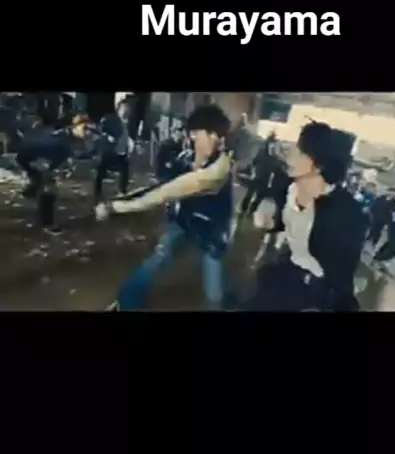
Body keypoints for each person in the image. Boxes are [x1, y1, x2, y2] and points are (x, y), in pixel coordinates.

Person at [96, 104, 234, 311]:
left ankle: (223, 300)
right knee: (156, 261)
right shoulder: (183, 159)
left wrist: (113, 207)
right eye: (212, 133)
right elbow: (159, 187)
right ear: (193, 134)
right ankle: (126, 302)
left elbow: (163, 193)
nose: (218, 140)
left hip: (211, 234)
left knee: (214, 294)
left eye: (220, 135)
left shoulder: (218, 170)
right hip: (183, 222)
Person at [243, 122, 367, 311]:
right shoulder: (289, 188)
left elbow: (343, 274)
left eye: (300, 152)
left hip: (317, 290)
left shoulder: (347, 214)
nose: (291, 154)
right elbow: (288, 221)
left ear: (319, 165)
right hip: (289, 273)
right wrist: (272, 220)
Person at [16, 114, 90, 233]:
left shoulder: (68, 137)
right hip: (33, 156)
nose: (88, 132)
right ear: (74, 127)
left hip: (35, 156)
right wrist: (38, 163)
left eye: (90, 129)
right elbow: (38, 150)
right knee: (49, 189)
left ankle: (32, 189)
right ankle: (48, 223)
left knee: (40, 179)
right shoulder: (60, 140)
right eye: (85, 128)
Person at [94, 99, 132, 203]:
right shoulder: (111, 119)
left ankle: (122, 191)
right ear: (118, 109)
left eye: (128, 108)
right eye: (124, 108)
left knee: (125, 169)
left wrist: (130, 147)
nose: (126, 111)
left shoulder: (126, 123)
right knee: (101, 169)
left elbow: (126, 137)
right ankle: (97, 193)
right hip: (110, 152)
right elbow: (101, 129)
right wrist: (108, 136)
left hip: (120, 152)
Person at [238, 138, 277, 219]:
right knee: (250, 194)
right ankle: (243, 210)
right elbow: (254, 163)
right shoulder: (262, 152)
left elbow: (273, 170)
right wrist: (253, 172)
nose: (272, 146)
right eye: (271, 144)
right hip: (257, 176)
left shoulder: (274, 156)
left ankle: (250, 211)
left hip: (264, 179)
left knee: (259, 197)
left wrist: (270, 182)